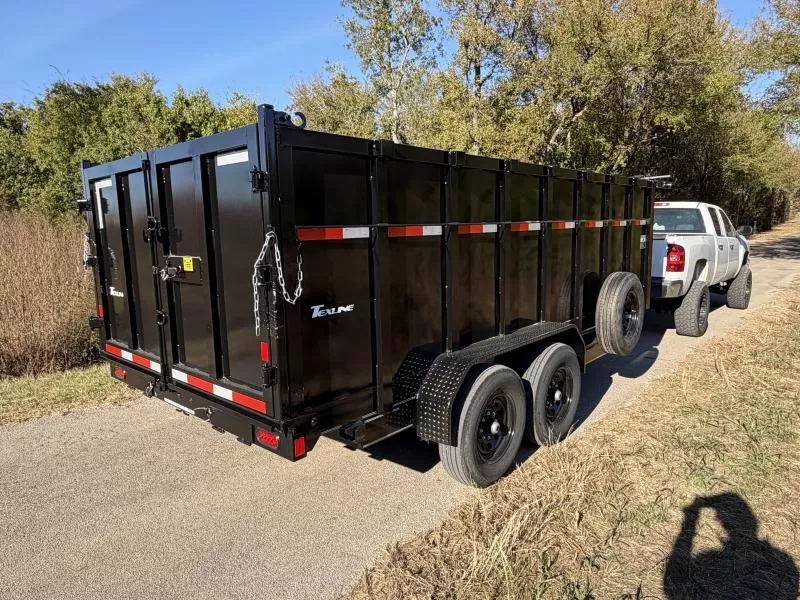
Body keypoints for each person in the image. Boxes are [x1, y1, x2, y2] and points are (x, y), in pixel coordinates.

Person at [664, 492, 799, 599]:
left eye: (719, 517)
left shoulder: (781, 564)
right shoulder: (782, 563)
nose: (717, 519)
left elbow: (674, 582)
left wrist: (690, 519)